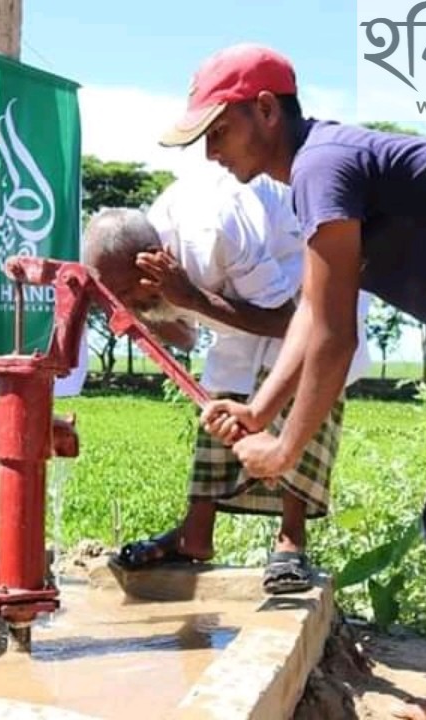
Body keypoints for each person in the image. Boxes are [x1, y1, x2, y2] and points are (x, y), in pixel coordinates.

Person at [159, 44, 426, 720]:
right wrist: (258, 411)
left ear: (266, 111)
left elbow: (338, 337)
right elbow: (310, 309)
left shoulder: (321, 167)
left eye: (218, 131)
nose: (210, 152)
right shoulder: (315, 174)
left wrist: (283, 451)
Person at [83, 169, 370, 594]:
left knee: (295, 385)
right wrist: (141, 313)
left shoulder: (217, 228)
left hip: (301, 290)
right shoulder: (151, 263)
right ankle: (194, 535)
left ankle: (291, 541)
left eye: (127, 291)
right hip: (239, 304)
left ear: (151, 260)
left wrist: (193, 298)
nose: (126, 303)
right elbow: (185, 334)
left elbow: (288, 323)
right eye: (115, 297)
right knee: (220, 391)